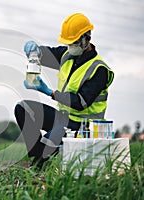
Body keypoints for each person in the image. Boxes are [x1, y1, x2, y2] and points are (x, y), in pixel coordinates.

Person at [14, 13, 114, 168]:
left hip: (82, 126)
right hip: (63, 118)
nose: (70, 47)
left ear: (86, 39)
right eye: (68, 43)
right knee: (23, 108)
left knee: (47, 144)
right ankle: (37, 157)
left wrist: (50, 93)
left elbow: (80, 102)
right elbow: (47, 55)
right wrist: (35, 51)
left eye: (73, 43)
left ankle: (42, 160)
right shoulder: (67, 55)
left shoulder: (99, 69)